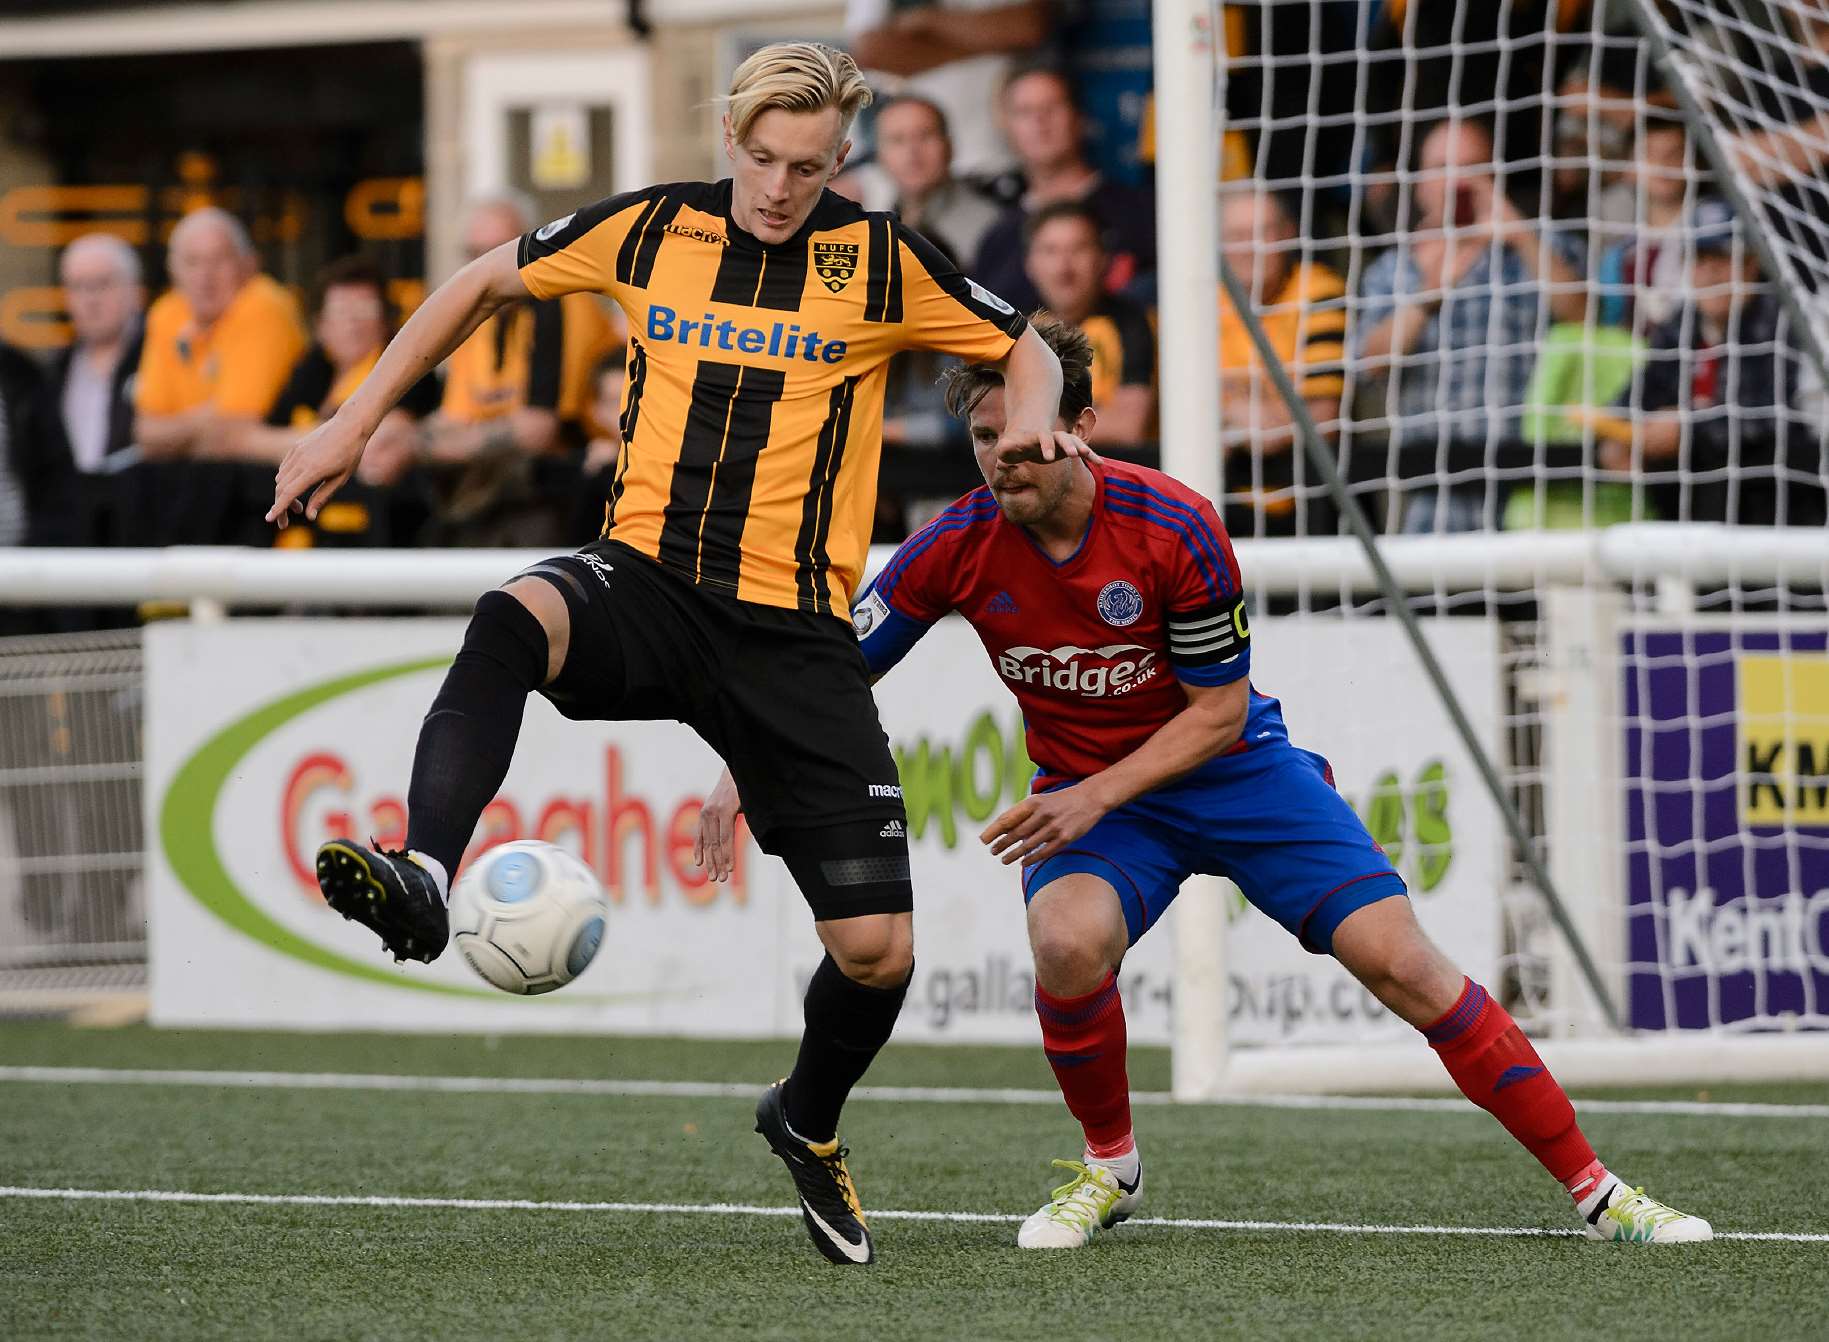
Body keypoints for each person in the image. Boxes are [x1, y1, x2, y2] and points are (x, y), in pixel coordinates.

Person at [266, 41, 1083, 1268]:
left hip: (794, 636)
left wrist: (1026, 418)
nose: (776, 186)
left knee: (878, 954)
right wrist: (353, 418)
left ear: (838, 162)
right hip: (645, 584)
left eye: (804, 168)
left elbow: (1019, 344)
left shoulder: (878, 261)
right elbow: (481, 283)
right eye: (760, 159)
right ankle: (426, 870)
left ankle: (804, 1120)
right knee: (510, 616)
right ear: (730, 142)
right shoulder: (650, 230)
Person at [696, 316, 1714, 1250]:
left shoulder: (1170, 526)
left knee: (1404, 964)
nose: (1000, 455)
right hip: (1096, 799)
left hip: (1234, 774)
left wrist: (1090, 795)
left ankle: (1597, 1191)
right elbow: (831, 670)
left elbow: (1217, 712)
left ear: (1081, 423)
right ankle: (1110, 1168)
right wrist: (742, 766)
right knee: (1063, 942)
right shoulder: (956, 544)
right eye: (981, 436)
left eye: (1022, 431)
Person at [1354, 118, 1586, 533]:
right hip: (1437, 494)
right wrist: (1432, 288)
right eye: (1442, 167)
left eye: (1471, 166)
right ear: (1420, 182)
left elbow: (1585, 318)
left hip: (1536, 490)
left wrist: (1522, 237)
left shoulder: (1545, 246)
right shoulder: (1394, 268)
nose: (1457, 180)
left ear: (1494, 175)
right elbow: (1368, 364)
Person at [1590, 197, 1825, 527]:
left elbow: (1769, 420)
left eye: (1723, 259)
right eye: (1699, 260)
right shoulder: (1681, 324)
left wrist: (1688, 426)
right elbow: (1636, 395)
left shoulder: (1782, 320)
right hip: (1693, 503)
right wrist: (1618, 436)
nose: (1709, 272)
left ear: (1751, 265)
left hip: (1779, 504)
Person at [971, 65, 1157, 315]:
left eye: (1052, 107)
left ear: (1078, 116)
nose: (1040, 121)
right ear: (1006, 127)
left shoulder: (1140, 212)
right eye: (1025, 112)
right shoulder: (997, 239)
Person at [1216, 187, 1347, 536]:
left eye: (1263, 233)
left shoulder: (1319, 293)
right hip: (1214, 499)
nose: (1251, 249)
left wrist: (1237, 416)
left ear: (1288, 234)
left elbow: (1324, 418)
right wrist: (1249, 418)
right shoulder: (1199, 299)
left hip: (1306, 503)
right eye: (1237, 236)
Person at [133, 207, 305, 459]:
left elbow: (231, 434)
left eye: (219, 259)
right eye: (192, 262)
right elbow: (145, 434)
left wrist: (179, 434)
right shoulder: (166, 313)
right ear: (173, 271)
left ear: (248, 265)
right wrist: (206, 419)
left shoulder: (262, 305)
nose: (205, 275)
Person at [845, 0, 1053, 180]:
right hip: (917, 158)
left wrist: (930, 20)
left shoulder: (928, 18)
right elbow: (871, 51)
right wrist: (991, 40)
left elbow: (1028, 26)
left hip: (1001, 155)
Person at [1023, 200, 1154, 447]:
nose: (1064, 268)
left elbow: (1128, 426)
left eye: (1078, 249)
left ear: (1104, 259)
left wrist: (1033, 427)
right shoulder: (1021, 330)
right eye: (1050, 251)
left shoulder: (1132, 323)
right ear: (1030, 264)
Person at [841, 95, 1001, 266]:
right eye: (898, 140)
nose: (912, 153)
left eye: (925, 136)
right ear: (880, 155)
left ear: (949, 146)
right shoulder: (871, 223)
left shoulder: (991, 227)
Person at [48, 233, 145, 475]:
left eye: (102, 284)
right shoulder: (54, 369)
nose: (90, 299)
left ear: (135, 290)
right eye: (78, 286)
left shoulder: (161, 357)